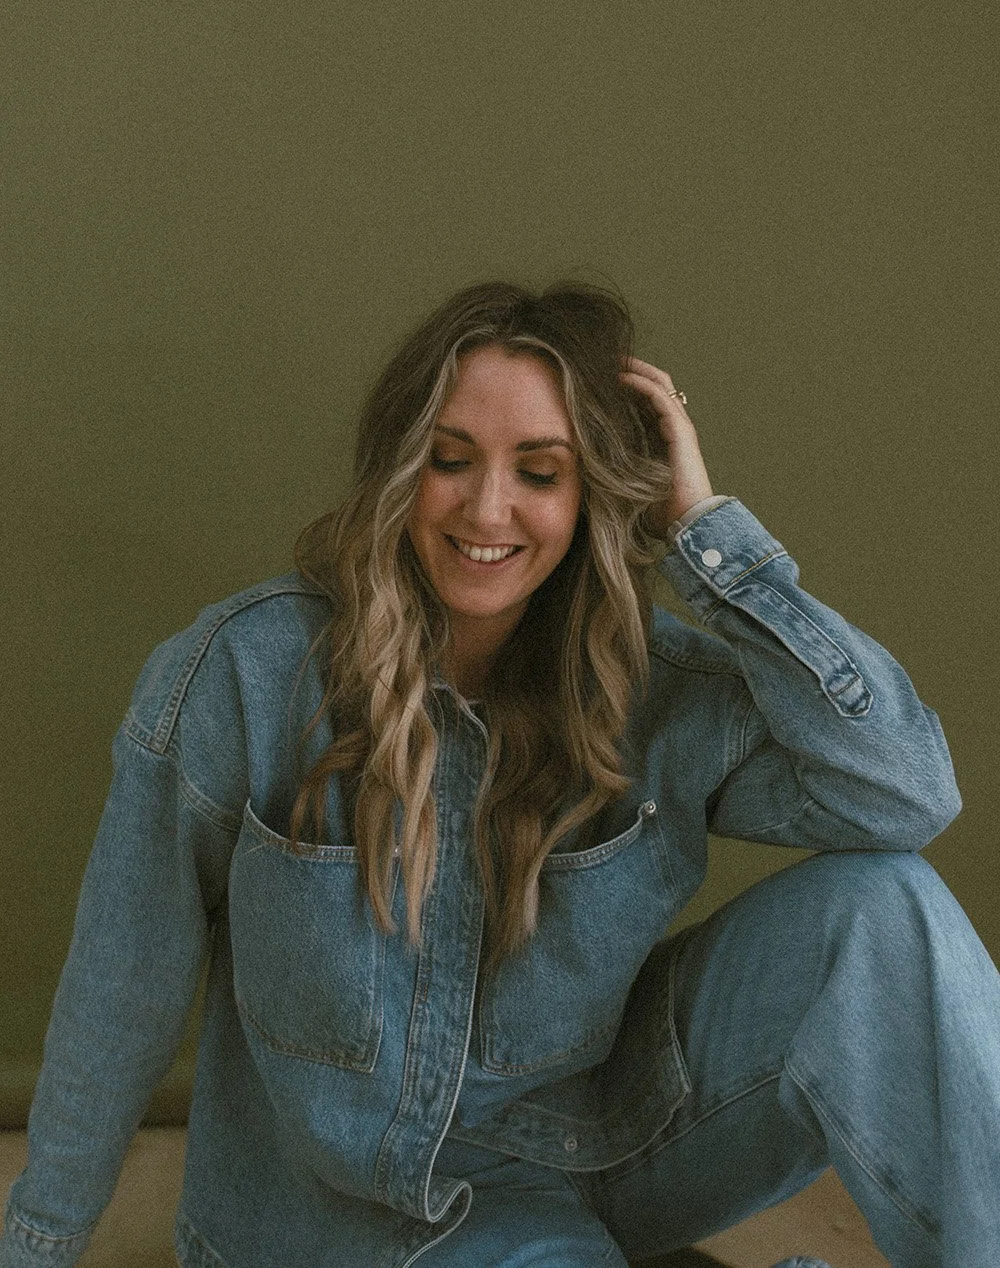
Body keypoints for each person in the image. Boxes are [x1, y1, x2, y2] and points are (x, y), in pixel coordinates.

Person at [2, 279, 998, 1268]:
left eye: (540, 470)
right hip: (348, 1214)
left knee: (884, 902)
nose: (488, 507)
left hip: (600, 1151)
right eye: (449, 460)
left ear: (596, 493)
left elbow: (903, 793)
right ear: (400, 468)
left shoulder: (652, 687)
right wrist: (39, 1245)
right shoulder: (240, 677)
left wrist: (709, 535)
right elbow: (119, 986)